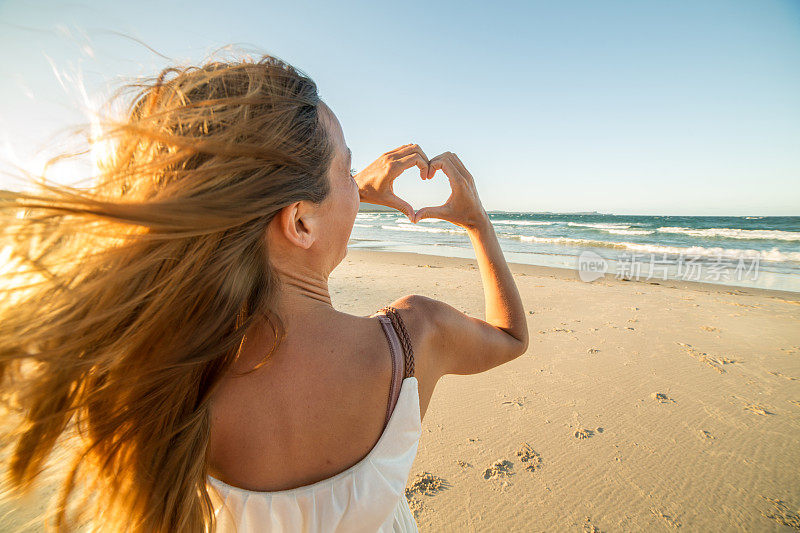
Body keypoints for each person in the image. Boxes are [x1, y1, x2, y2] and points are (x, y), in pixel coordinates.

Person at [0, 55, 528, 532]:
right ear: (298, 220)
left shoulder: (170, 375)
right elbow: (509, 336)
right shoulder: (416, 337)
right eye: (347, 169)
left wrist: (338, 192)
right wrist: (477, 221)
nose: (357, 182)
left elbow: (282, 244)